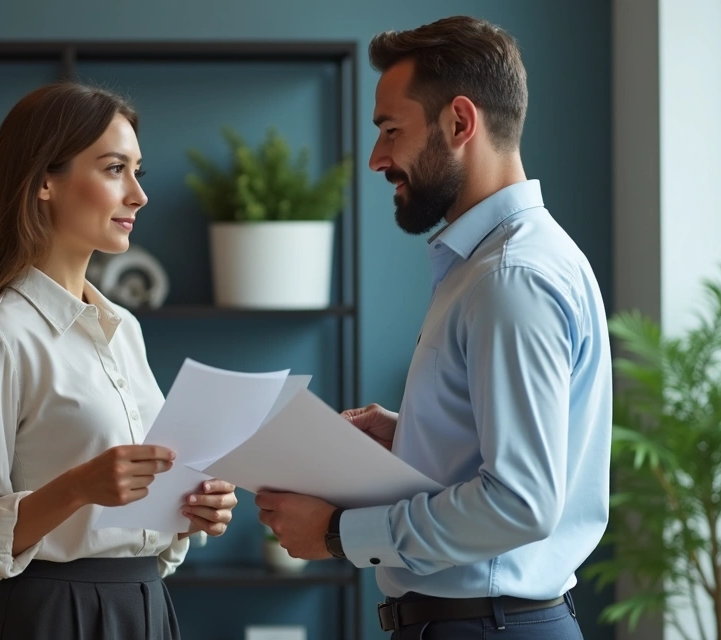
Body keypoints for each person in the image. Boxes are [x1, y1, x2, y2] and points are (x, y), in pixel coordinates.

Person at [255, 15, 611, 640]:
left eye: (390, 130)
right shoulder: (494, 265)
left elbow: (520, 502)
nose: (376, 159)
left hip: (484, 627)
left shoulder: (510, 277)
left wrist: (338, 534)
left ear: (460, 123)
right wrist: (413, 436)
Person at [0, 81, 238, 640]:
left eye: (138, 170)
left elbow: (137, 523)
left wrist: (186, 514)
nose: (139, 194)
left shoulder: (126, 330)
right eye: (115, 168)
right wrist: (76, 488)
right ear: (45, 180)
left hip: (147, 605)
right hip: (52, 617)